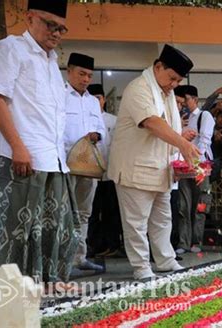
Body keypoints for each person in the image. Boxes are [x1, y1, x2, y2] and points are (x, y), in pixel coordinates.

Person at [0, 0, 79, 284]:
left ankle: (43, 291)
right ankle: (6, 299)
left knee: (51, 231)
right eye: (51, 25)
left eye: (62, 28)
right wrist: (17, 147)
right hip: (22, 158)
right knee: (14, 233)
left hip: (53, 161)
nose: (57, 33)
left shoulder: (51, 62)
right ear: (29, 18)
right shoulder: (10, 48)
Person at [107, 44, 200, 280]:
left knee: (162, 219)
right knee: (136, 223)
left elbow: (169, 130)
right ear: (158, 67)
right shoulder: (139, 88)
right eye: (172, 78)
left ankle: (165, 260)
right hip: (135, 169)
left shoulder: (165, 94)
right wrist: (183, 143)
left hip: (160, 170)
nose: (174, 84)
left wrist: (179, 159)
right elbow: (151, 122)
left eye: (178, 80)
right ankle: (141, 267)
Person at [64, 53, 106, 272]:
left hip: (88, 166)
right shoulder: (59, 96)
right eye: (81, 74)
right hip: (66, 165)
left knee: (84, 213)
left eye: (89, 75)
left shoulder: (91, 101)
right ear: (69, 71)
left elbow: (101, 128)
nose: (86, 79)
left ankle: (80, 258)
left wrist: (96, 135)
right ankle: (63, 260)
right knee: (66, 212)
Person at [174, 85, 215, 254]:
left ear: (195, 100)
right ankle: (183, 243)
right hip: (183, 166)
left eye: (186, 100)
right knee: (183, 205)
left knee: (200, 205)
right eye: (180, 101)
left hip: (200, 166)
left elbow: (205, 141)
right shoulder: (180, 118)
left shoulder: (204, 116)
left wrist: (195, 161)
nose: (183, 104)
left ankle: (196, 241)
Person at [86, 83, 123, 257]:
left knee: (110, 211)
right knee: (91, 212)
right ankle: (92, 246)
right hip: (89, 174)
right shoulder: (83, 119)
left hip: (109, 174)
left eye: (98, 98)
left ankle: (113, 244)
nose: (95, 101)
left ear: (104, 100)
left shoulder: (113, 121)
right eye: (91, 98)